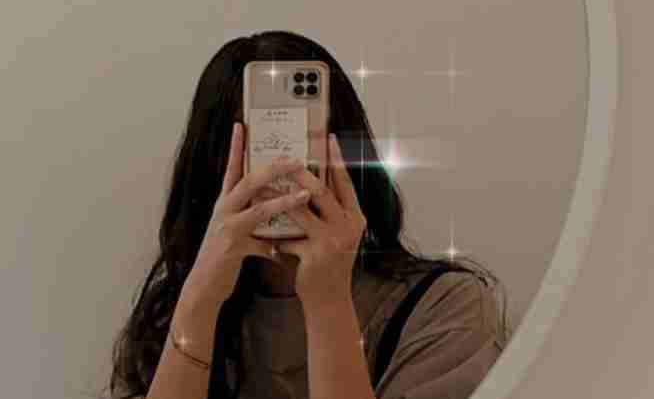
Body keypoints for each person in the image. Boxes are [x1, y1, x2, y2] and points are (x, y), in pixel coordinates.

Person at [104, 30, 510, 399]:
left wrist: (327, 301)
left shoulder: (445, 307)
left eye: (298, 142)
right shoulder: (172, 317)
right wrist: (199, 300)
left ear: (343, 150)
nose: (282, 169)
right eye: (263, 146)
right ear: (214, 164)